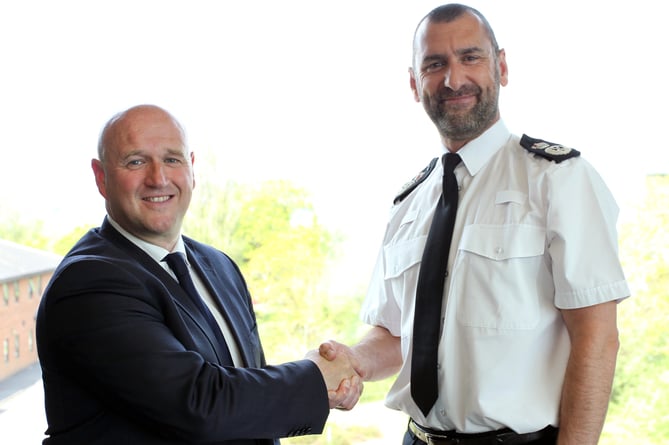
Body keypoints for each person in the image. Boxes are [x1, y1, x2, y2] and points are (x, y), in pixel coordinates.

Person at [320, 3, 629, 445]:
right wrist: (355, 360)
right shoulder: (407, 204)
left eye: (470, 57)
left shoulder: (558, 179)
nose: (453, 79)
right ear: (414, 83)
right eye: (434, 64)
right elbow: (395, 333)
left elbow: (597, 337)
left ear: (501, 67)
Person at [35, 104, 360, 445]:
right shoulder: (88, 283)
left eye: (172, 159)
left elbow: (250, 395)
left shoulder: (219, 266)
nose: (158, 178)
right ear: (101, 177)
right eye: (135, 161)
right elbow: (198, 404)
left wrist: (326, 388)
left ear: (192, 169)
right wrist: (316, 379)